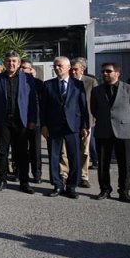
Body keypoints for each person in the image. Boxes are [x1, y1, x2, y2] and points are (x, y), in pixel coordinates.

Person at [0, 52, 37, 194]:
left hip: (21, 121)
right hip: (3, 121)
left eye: (14, 61)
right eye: (8, 61)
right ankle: (2, 180)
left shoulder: (27, 79)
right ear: (4, 62)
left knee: (22, 153)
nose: (11, 63)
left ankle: (24, 182)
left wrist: (33, 120)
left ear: (19, 62)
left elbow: (33, 102)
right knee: (2, 153)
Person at [40, 56, 89, 199]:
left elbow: (83, 107)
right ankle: (57, 185)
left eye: (60, 65)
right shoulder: (48, 85)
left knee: (74, 157)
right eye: (55, 66)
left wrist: (84, 126)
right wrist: (43, 125)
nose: (57, 68)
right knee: (54, 157)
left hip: (73, 125)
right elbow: (43, 108)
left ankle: (72, 186)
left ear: (68, 67)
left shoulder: (78, 85)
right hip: (54, 126)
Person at [90, 62, 130, 202]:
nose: (105, 74)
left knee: (124, 164)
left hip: (124, 131)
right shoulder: (96, 90)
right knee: (102, 163)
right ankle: (105, 189)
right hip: (103, 130)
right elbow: (93, 109)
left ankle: (124, 191)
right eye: (103, 71)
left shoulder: (128, 89)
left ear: (117, 73)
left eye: (108, 71)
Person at [60, 57, 97, 188]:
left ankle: (83, 176)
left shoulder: (91, 82)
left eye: (76, 70)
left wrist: (91, 121)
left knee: (84, 151)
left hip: (86, 121)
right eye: (71, 69)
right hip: (69, 122)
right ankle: (64, 175)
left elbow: (95, 102)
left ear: (83, 69)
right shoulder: (66, 82)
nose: (73, 72)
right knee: (64, 151)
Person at [21, 61, 45, 183]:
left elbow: (41, 103)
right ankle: (21, 173)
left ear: (31, 70)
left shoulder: (39, 84)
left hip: (36, 121)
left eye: (25, 68)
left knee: (35, 149)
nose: (22, 69)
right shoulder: (17, 82)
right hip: (21, 121)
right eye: (21, 68)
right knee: (22, 149)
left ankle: (37, 174)